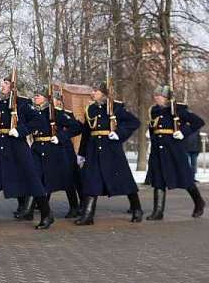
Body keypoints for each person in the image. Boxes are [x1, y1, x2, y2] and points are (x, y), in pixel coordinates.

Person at [0, 76, 54, 232]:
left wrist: (21, 130)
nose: (2, 86)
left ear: (14, 87)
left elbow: (39, 122)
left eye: (6, 83)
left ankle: (47, 214)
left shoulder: (22, 104)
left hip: (17, 148)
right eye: (2, 83)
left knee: (32, 181)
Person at [75, 81, 143, 226]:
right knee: (91, 180)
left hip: (111, 149)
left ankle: (137, 208)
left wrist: (119, 133)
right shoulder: (90, 109)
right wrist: (81, 153)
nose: (92, 93)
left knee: (124, 180)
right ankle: (88, 215)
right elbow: (87, 133)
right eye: (92, 90)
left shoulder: (115, 108)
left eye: (95, 90)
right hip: (93, 150)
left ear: (103, 93)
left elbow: (134, 122)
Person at [144, 85, 205, 220]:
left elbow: (198, 122)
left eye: (159, 96)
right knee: (158, 180)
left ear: (166, 98)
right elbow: (153, 127)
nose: (156, 98)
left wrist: (183, 133)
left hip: (174, 149)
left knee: (185, 178)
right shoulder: (153, 111)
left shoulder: (177, 110)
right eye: (155, 95)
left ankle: (199, 202)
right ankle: (158, 211)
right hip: (158, 150)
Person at [27, 88, 83, 219]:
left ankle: (75, 206)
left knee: (67, 180)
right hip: (41, 149)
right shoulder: (36, 112)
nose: (35, 97)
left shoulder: (58, 113)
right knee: (39, 178)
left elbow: (75, 127)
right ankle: (31, 208)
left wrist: (61, 137)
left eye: (38, 95)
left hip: (61, 149)